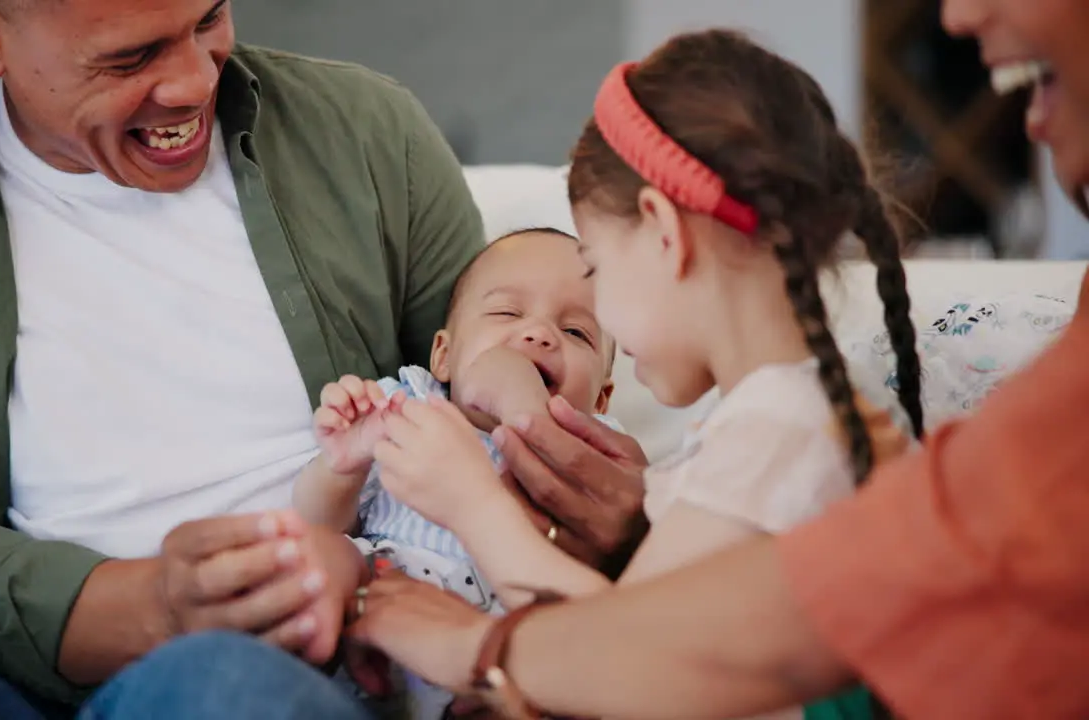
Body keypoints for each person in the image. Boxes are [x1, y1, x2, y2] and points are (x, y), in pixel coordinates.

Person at [0, 0, 649, 717]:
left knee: (220, 685)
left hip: (299, 672)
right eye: (131, 55)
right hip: (0, 684)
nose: (194, 82)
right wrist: (157, 607)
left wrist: (609, 522)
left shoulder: (368, 132)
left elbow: (480, 387)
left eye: (209, 17)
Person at [346, 2, 1089, 718]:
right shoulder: (785, 415)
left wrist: (473, 506)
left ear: (663, 232)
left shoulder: (779, 429)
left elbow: (632, 665)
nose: (598, 316)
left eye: (597, 270)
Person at [295, 227, 620, 718]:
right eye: (508, 312)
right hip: (375, 630)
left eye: (576, 332)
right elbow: (317, 521)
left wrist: (525, 407)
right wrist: (342, 467)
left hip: (505, 661)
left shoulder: (599, 452)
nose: (538, 334)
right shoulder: (405, 405)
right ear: (443, 356)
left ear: (600, 399)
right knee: (315, 557)